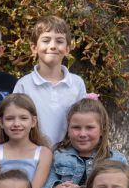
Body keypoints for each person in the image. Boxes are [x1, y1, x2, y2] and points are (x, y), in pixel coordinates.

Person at [37, 97, 127, 188]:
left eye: (89, 128)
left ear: (102, 130)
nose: (82, 134)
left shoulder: (115, 160)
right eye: (76, 128)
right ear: (68, 129)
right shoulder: (57, 155)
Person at [13, 16, 87, 147]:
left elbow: (83, 121)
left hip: (68, 153)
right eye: (46, 40)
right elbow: (16, 123)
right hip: (33, 153)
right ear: (34, 48)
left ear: (67, 49)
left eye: (59, 41)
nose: (53, 46)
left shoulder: (77, 84)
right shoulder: (24, 85)